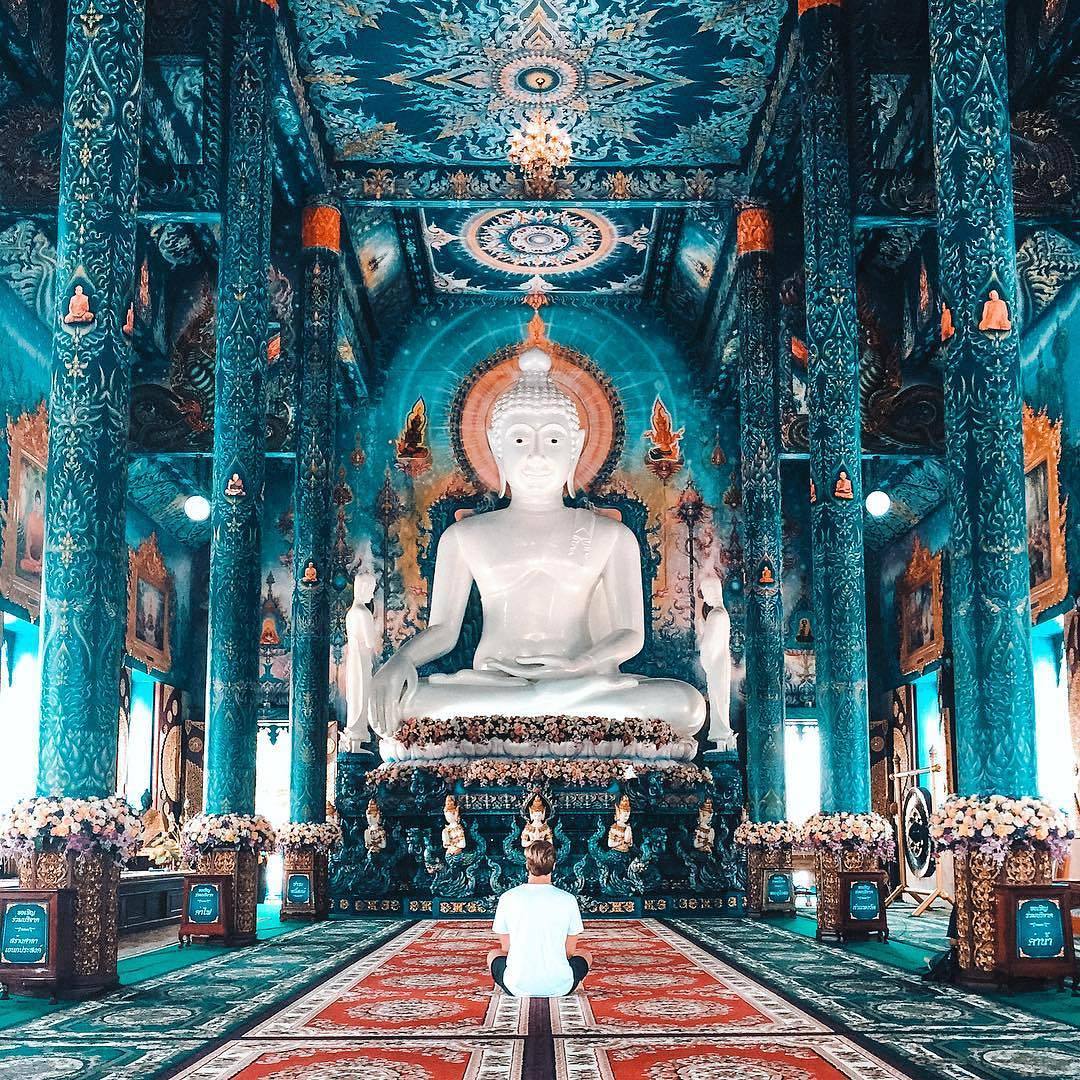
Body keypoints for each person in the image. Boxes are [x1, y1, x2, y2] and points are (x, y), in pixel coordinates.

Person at [488, 839, 590, 997]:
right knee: (585, 954)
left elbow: (506, 949)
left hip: (515, 986)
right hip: (561, 986)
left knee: (493, 955)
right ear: (554, 865)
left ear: (526, 865)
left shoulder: (507, 898)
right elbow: (569, 952)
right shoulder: (568, 899)